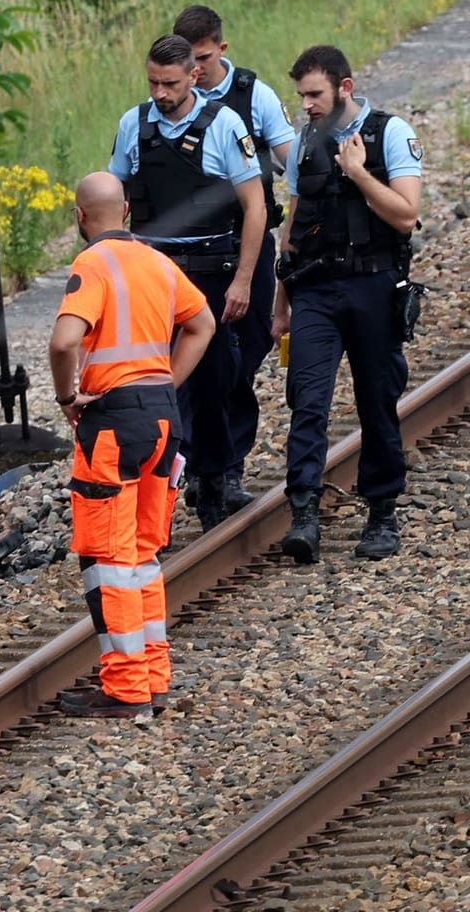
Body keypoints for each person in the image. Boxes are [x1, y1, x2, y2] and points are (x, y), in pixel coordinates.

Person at [49, 172, 217, 719]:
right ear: (124, 211)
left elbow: (64, 341)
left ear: (80, 217)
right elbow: (203, 324)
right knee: (144, 556)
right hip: (163, 420)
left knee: (108, 559)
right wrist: (166, 382)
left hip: (113, 423)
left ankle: (125, 691)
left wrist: (67, 395)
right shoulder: (157, 262)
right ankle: (154, 678)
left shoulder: (91, 265)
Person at [107, 33, 265, 530]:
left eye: (170, 83)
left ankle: (214, 478)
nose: (160, 93)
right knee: (154, 386)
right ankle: (165, 483)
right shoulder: (133, 125)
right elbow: (112, 196)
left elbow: (255, 207)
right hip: (152, 273)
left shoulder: (225, 125)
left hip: (209, 275)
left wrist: (243, 280)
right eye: (153, 82)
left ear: (193, 76)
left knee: (214, 382)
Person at [272, 45, 423, 562]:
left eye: (314, 94)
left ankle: (381, 512)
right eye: (301, 96)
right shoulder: (304, 141)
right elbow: (292, 227)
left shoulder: (390, 133)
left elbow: (406, 215)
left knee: (376, 399)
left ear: (345, 87)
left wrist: (359, 174)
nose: (307, 104)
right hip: (315, 289)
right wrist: (280, 303)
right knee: (307, 400)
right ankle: (304, 514)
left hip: (375, 287)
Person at [175, 5, 298, 516]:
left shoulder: (255, 95)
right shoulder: (169, 103)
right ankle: (206, 468)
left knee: (242, 356)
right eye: (189, 61)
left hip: (247, 243)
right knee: (190, 362)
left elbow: (294, 159)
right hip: (191, 254)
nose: (196, 71)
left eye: (203, 59)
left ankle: (225, 465)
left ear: (220, 49)